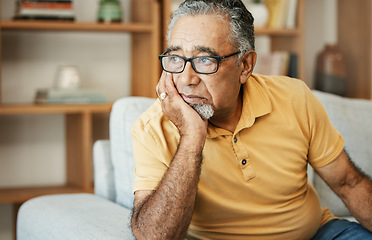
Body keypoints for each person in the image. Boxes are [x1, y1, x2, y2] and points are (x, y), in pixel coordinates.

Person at [130, 0, 372, 239]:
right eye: (175, 58)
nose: (185, 79)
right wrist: (191, 137)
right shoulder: (152, 128)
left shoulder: (294, 98)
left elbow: (349, 183)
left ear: (245, 65)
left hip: (318, 234)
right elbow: (155, 237)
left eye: (205, 59)